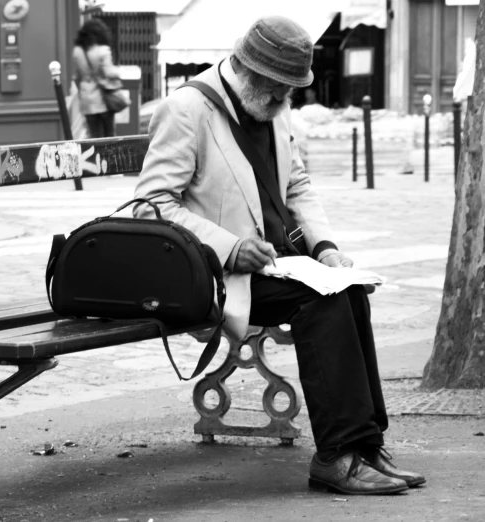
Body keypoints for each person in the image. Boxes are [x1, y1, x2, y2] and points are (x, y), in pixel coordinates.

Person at [133, 16, 425, 495]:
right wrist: (230, 248)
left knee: (350, 292)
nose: (284, 100)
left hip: (278, 261)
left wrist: (325, 249)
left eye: (290, 91)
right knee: (320, 303)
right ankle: (336, 457)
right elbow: (152, 208)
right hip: (216, 274)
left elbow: (296, 185)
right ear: (249, 73)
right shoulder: (186, 109)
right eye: (277, 89)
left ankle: (365, 445)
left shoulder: (275, 108)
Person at [72, 18, 122, 138]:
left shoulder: (77, 52)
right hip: (103, 98)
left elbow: (77, 76)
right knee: (109, 133)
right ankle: (109, 157)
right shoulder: (103, 51)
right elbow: (109, 72)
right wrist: (120, 71)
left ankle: (97, 156)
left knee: (94, 135)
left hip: (86, 98)